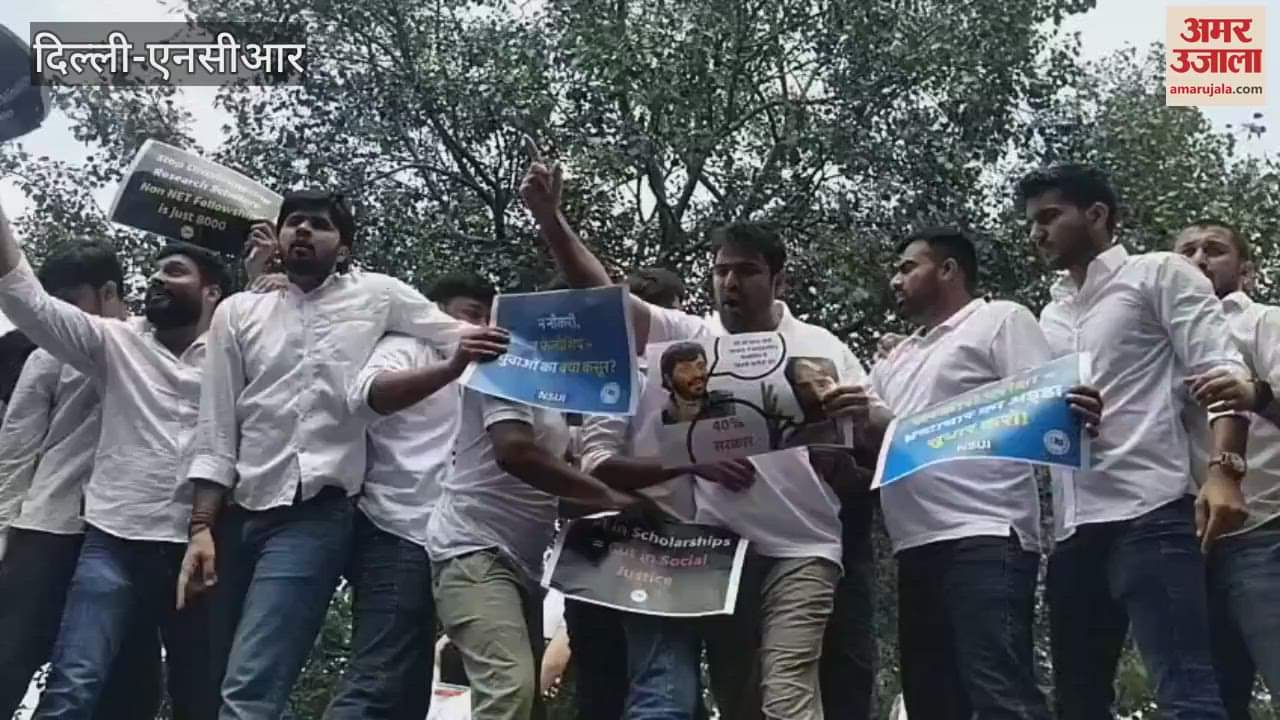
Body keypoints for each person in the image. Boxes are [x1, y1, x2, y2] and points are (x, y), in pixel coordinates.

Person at [521, 158, 877, 720]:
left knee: (786, 695)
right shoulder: (690, 340)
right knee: (739, 702)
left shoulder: (824, 346)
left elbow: (877, 444)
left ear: (779, 280)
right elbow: (605, 297)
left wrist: (859, 416)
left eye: (748, 271)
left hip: (804, 547)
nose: (731, 282)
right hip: (716, 553)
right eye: (721, 270)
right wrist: (550, 217)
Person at [178, 190, 473, 719]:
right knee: (222, 673)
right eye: (294, 223)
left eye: (319, 225)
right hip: (237, 515)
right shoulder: (239, 311)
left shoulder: (378, 296)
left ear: (343, 246)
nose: (304, 232)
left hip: (315, 516)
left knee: (251, 683)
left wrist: (550, 350)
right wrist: (201, 525)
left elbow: (457, 335)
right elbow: (217, 425)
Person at [1019, 164, 1249, 719]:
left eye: (1050, 217)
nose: (1037, 234)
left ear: (1096, 215)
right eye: (1031, 223)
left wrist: (1225, 472)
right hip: (1074, 530)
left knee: (1186, 691)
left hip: (1152, 512)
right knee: (1077, 702)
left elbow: (1220, 368)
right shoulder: (1047, 316)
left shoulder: (1158, 274)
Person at [0, 199, 230, 720]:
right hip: (78, 532)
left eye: (173, 270)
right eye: (154, 270)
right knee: (54, 674)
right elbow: (14, 447)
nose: (157, 279)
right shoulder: (94, 346)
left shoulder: (228, 356)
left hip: (175, 547)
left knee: (161, 689)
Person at [860, 227, 1097, 719]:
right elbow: (871, 440)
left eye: (908, 267)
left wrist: (899, 426)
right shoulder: (895, 359)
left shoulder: (999, 319)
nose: (895, 280)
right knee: (931, 701)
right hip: (913, 544)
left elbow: (1044, 411)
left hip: (986, 534)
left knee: (999, 692)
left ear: (948, 270)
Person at [426, 274, 635, 720]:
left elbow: (546, 495)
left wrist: (634, 505)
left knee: (527, 707)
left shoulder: (553, 391)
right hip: (473, 550)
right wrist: (610, 494)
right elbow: (515, 453)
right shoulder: (508, 361)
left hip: (521, 562)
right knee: (509, 688)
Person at [323, 272, 504, 720]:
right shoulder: (407, 347)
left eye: (486, 319)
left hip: (460, 539)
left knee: (411, 686)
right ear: (435, 314)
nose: (476, 327)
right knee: (379, 675)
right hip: (398, 528)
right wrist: (450, 366)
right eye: (468, 315)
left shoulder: (490, 373)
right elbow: (366, 397)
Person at [0, 241, 161, 719]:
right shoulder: (46, 356)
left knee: (129, 682)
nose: (55, 313)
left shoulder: (159, 345)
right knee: (10, 659)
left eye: (69, 299)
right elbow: (15, 452)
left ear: (109, 291)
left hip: (130, 534)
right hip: (49, 528)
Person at [1172, 220, 1280, 718]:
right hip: (1187, 547)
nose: (1197, 259)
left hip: (1264, 531)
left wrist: (1255, 394)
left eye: (1213, 250)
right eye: (1186, 251)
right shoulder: (1162, 339)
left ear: (1247, 272)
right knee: (1211, 702)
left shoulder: (1262, 323)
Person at [659, 342, 734, 424]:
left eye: (701, 366)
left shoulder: (727, 403)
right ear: (668, 379)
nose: (697, 374)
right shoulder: (661, 417)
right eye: (686, 370)